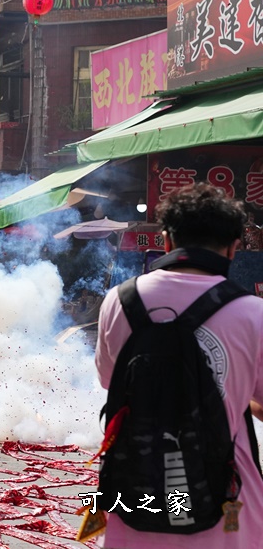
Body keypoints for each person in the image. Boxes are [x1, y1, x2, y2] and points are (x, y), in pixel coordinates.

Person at [95, 182, 263, 548]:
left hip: (138, 488)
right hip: (227, 499)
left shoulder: (118, 300)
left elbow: (111, 380)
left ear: (167, 241)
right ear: (234, 247)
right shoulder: (255, 313)